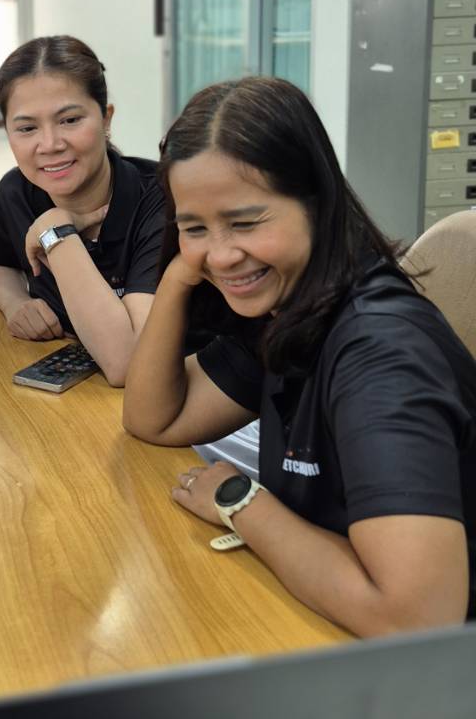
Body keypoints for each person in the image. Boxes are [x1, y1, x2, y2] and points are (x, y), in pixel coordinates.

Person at [123, 76, 476, 636]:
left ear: (315, 200)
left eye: (245, 222)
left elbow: (418, 618)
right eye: (194, 226)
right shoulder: (286, 305)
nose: (222, 253)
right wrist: (177, 275)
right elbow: (154, 418)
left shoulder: (379, 355)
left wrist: (243, 502)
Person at [0, 35, 166, 385]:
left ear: (106, 119)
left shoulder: (160, 200)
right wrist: (15, 302)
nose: (50, 145)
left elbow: (128, 362)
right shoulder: (16, 193)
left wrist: (56, 231)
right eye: (27, 128)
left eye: (70, 120)